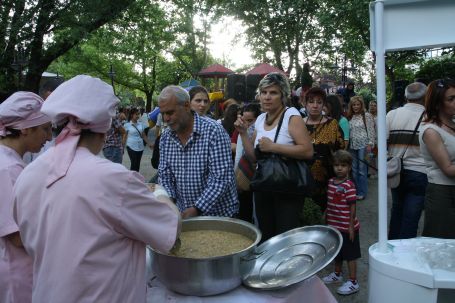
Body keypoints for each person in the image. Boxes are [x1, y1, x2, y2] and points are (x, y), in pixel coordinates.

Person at [13, 75, 181, 303]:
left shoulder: (28, 174)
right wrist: (160, 193)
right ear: (105, 127)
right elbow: (171, 231)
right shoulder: (113, 179)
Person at [235, 72, 313, 241]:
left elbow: (307, 151)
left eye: (273, 93)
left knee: (285, 237)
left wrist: (274, 147)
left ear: (283, 96)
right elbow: (254, 157)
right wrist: (242, 133)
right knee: (266, 235)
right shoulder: (261, 118)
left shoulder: (291, 115)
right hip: (264, 186)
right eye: (264, 92)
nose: (267, 97)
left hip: (287, 187)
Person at [0, 92, 52, 303]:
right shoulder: (8, 169)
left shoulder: (10, 162)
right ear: (25, 129)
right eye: (45, 129)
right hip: (17, 274)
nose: (49, 137)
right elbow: (17, 236)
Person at [158, 85, 238, 218]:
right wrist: (169, 203)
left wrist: (197, 209)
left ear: (186, 105)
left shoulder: (214, 131)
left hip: (218, 215)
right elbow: (165, 175)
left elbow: (221, 179)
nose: (166, 118)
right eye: (163, 113)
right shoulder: (166, 137)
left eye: (170, 112)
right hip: (183, 213)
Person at [387, 82, 428, 239]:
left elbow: (381, 142)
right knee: (412, 216)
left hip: (396, 170)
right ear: (425, 97)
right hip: (420, 172)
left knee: (397, 209)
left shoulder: (392, 115)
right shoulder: (429, 117)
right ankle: (406, 253)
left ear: (406, 96)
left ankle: (392, 248)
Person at [419, 78, 455, 239]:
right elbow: (448, 169)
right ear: (437, 103)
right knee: (441, 245)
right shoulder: (431, 131)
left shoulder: (452, 124)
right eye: (451, 99)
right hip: (442, 193)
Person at [322, 150, 361, 295]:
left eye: (343, 165)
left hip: (347, 227)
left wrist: (351, 226)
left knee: (351, 255)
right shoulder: (331, 182)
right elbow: (330, 201)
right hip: (334, 226)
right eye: (336, 165)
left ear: (349, 167)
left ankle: (353, 281)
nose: (339, 168)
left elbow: (352, 206)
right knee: (337, 252)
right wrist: (326, 214)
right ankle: (337, 274)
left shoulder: (349, 185)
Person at [304, 88, 345, 212]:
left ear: (324, 105)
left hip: (327, 182)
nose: (315, 105)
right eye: (311, 102)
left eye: (319, 102)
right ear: (305, 104)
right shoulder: (298, 124)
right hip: (302, 179)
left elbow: (341, 152)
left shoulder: (332, 124)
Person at [233, 103, 262, 223]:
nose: (248, 123)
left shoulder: (259, 131)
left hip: (256, 178)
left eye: (251, 120)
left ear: (258, 119)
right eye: (245, 120)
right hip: (243, 176)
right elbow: (238, 154)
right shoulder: (241, 130)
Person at [347, 96, 375, 200]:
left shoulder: (366, 116)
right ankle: (356, 191)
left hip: (363, 145)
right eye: (354, 104)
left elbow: (371, 130)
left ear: (361, 105)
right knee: (354, 170)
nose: (356, 106)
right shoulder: (350, 116)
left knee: (362, 170)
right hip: (352, 145)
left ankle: (362, 193)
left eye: (358, 104)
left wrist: (370, 144)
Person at [123, 107, 153, 172]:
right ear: (132, 115)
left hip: (140, 147)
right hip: (131, 146)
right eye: (136, 114)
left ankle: (136, 179)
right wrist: (122, 147)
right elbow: (124, 137)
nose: (138, 116)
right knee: (134, 164)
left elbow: (144, 135)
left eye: (138, 114)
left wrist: (149, 144)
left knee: (137, 164)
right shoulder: (127, 125)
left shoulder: (141, 124)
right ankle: (131, 179)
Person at [367, 100, 378, 178]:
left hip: (377, 139)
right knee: (369, 156)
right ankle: (370, 172)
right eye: (371, 105)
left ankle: (377, 172)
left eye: (374, 105)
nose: (372, 107)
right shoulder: (366, 116)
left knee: (376, 156)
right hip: (368, 140)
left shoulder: (380, 117)